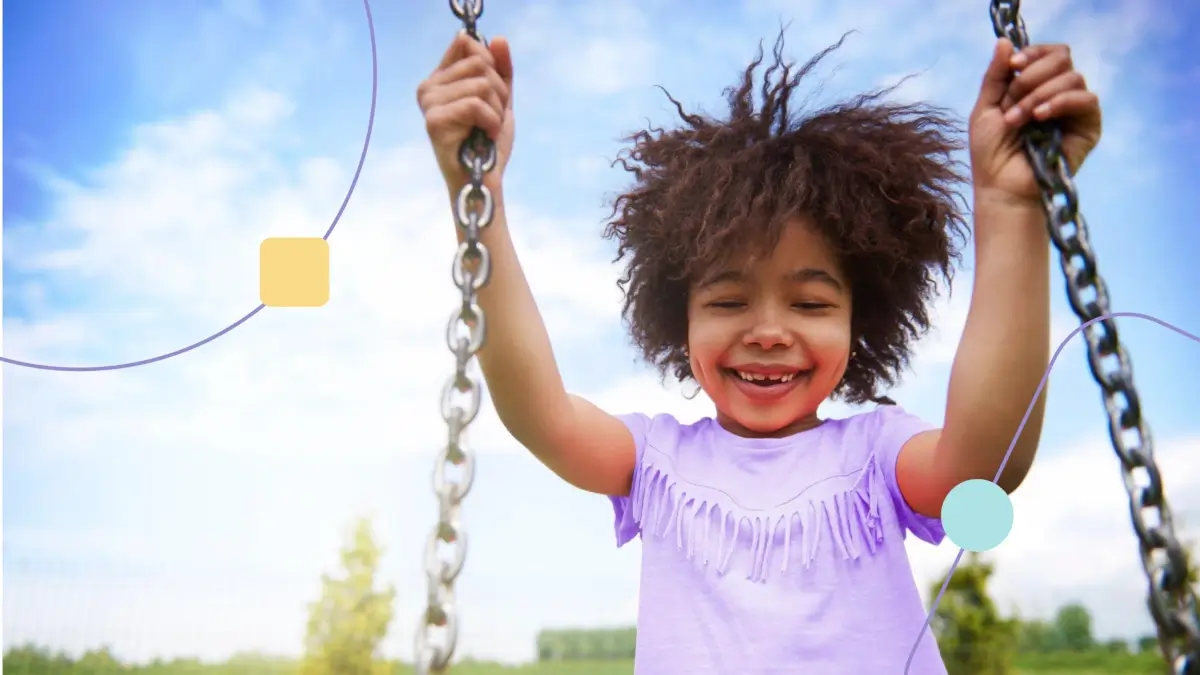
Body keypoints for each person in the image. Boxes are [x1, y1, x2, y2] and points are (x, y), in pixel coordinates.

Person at [417, 25, 1101, 675]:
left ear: (860, 321)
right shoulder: (659, 463)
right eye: (727, 300)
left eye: (810, 302)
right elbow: (540, 411)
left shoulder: (874, 455)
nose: (769, 331)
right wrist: (478, 197)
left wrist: (1011, 209)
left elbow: (987, 465)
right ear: (676, 318)